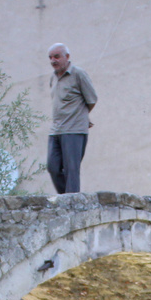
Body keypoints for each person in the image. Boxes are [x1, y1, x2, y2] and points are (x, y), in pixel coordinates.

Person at [46, 43, 98, 195]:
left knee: (71, 169)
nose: (53, 60)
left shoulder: (78, 74)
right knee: (52, 167)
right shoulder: (53, 77)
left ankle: (72, 203)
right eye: (50, 57)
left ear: (67, 57)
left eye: (56, 56)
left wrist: (81, 117)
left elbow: (92, 99)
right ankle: (66, 199)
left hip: (74, 129)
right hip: (56, 129)